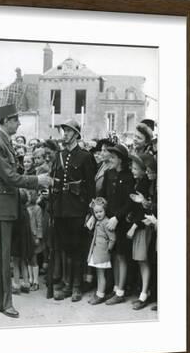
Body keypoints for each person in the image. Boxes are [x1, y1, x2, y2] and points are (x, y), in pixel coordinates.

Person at [0, 103, 52, 318]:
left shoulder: (3, 142)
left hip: (3, 201)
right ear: (5, 121)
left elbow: (11, 174)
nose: (19, 123)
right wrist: (37, 180)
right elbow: (10, 177)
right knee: (3, 254)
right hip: (0, 204)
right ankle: (4, 304)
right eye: (15, 120)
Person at [50, 120, 96, 302]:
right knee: (65, 248)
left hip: (77, 209)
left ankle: (77, 286)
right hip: (61, 209)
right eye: (64, 131)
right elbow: (55, 182)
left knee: (77, 248)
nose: (65, 134)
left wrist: (89, 211)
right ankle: (67, 284)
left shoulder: (85, 156)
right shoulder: (59, 155)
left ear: (77, 134)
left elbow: (90, 186)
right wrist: (53, 208)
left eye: (69, 131)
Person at [100, 143, 135, 305]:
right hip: (109, 222)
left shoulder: (129, 176)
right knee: (114, 255)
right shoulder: (109, 174)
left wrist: (117, 218)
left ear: (121, 159)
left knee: (121, 256)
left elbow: (130, 201)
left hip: (121, 223)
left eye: (113, 157)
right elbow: (103, 196)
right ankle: (115, 289)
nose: (110, 159)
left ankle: (120, 291)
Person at [127, 153, 154, 310]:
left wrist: (134, 225)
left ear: (144, 170)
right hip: (139, 226)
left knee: (143, 261)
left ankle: (145, 294)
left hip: (142, 227)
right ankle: (143, 292)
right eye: (133, 167)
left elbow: (143, 212)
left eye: (136, 168)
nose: (132, 169)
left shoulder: (143, 185)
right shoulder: (139, 183)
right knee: (140, 260)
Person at [86, 197, 116, 305]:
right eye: (96, 212)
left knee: (101, 274)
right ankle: (99, 292)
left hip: (102, 252)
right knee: (99, 274)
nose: (98, 214)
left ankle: (100, 295)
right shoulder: (99, 221)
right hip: (97, 251)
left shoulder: (106, 222)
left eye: (100, 211)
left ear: (105, 210)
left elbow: (112, 238)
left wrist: (108, 249)